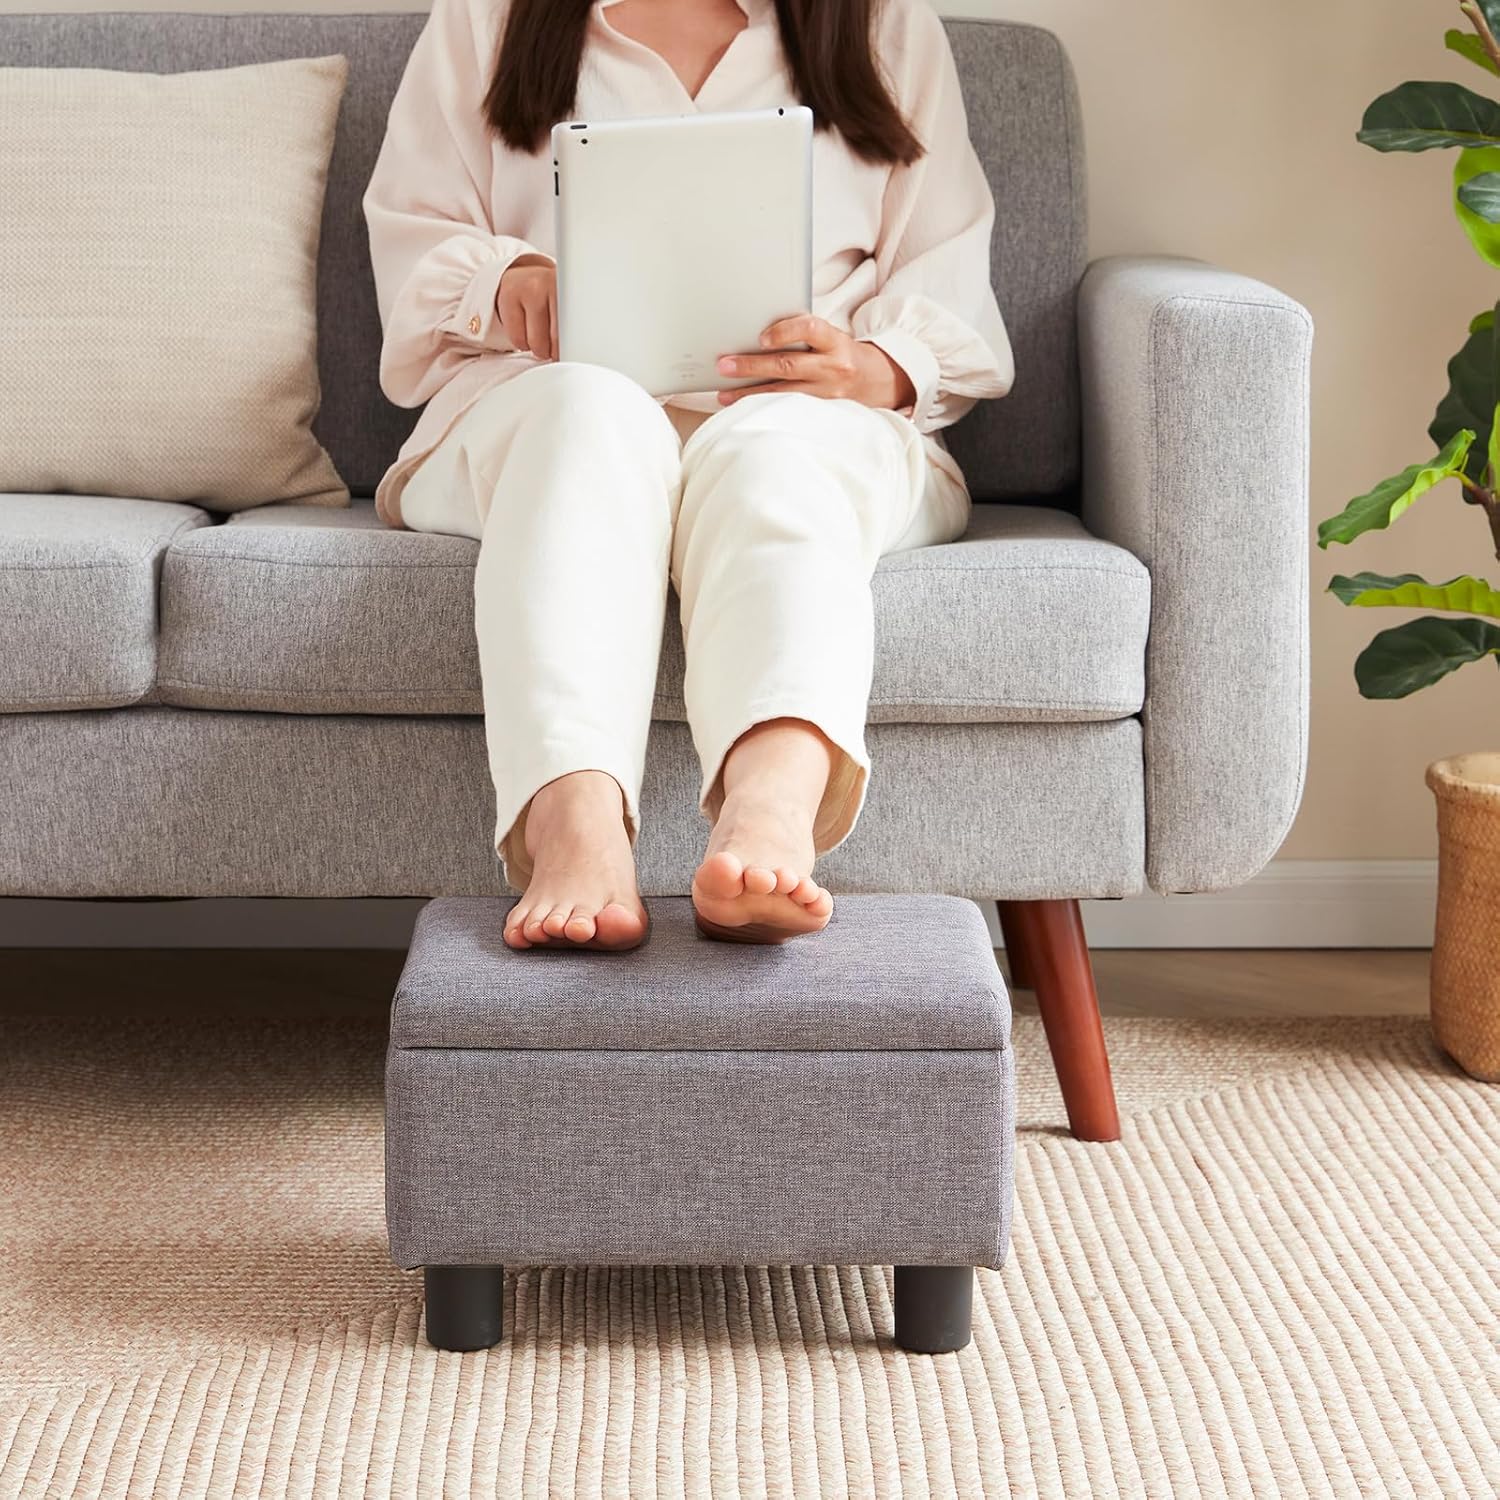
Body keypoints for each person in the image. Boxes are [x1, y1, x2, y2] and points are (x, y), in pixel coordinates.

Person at [362, 0, 1013, 952]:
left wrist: (863, 366)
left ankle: (771, 811)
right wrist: (507, 282)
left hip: (809, 416)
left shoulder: (880, 22)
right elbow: (414, 234)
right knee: (593, 415)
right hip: (544, 399)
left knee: (774, 449)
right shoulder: (486, 18)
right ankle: (573, 826)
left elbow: (946, 270)